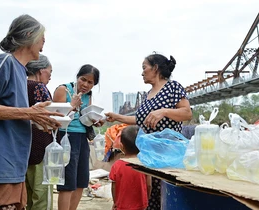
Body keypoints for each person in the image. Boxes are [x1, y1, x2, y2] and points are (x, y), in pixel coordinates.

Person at [0, 14, 63, 210]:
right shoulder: (5, 62)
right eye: (41, 40)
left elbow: (11, 115)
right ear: (29, 35)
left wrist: (37, 119)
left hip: (16, 166)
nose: (43, 46)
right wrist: (28, 113)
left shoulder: (21, 71)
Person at [105, 52, 192, 210]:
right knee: (151, 200)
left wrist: (164, 111)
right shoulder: (148, 95)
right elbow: (140, 120)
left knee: (167, 197)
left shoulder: (173, 87)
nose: (142, 72)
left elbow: (187, 113)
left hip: (169, 157)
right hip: (149, 157)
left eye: (144, 68)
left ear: (156, 68)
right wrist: (116, 117)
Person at [53, 64, 104, 210]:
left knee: (81, 180)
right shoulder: (63, 90)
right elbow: (55, 118)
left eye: (90, 83)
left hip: (82, 138)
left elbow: (84, 118)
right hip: (66, 136)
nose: (86, 85)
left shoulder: (89, 96)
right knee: (68, 181)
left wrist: (95, 120)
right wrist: (72, 105)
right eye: (83, 80)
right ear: (77, 77)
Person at [25, 54, 55, 210]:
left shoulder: (19, 84)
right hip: (40, 148)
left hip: (23, 149)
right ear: (41, 70)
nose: (50, 76)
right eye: (50, 71)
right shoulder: (39, 87)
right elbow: (50, 117)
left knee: (27, 197)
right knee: (42, 197)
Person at [109, 125, 151, 210]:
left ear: (121, 146)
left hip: (122, 205)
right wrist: (146, 200)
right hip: (141, 205)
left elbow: (114, 186)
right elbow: (149, 185)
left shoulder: (117, 165)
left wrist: (115, 203)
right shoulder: (145, 164)